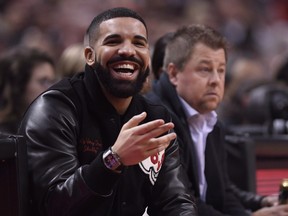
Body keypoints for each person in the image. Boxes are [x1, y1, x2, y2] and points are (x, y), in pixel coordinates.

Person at [18, 7, 196, 216]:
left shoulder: (157, 119)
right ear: (89, 56)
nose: (128, 50)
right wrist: (114, 159)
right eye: (113, 41)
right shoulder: (54, 110)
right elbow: (56, 206)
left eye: (139, 43)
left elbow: (175, 202)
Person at [146, 24, 288, 216]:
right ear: (173, 74)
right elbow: (181, 201)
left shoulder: (211, 122)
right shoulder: (158, 120)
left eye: (221, 70)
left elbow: (222, 192)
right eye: (204, 69)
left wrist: (257, 206)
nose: (215, 80)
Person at [0, 46, 56, 134]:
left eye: (52, 82)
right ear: (18, 86)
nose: (51, 88)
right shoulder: (4, 135)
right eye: (43, 81)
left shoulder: (54, 127)